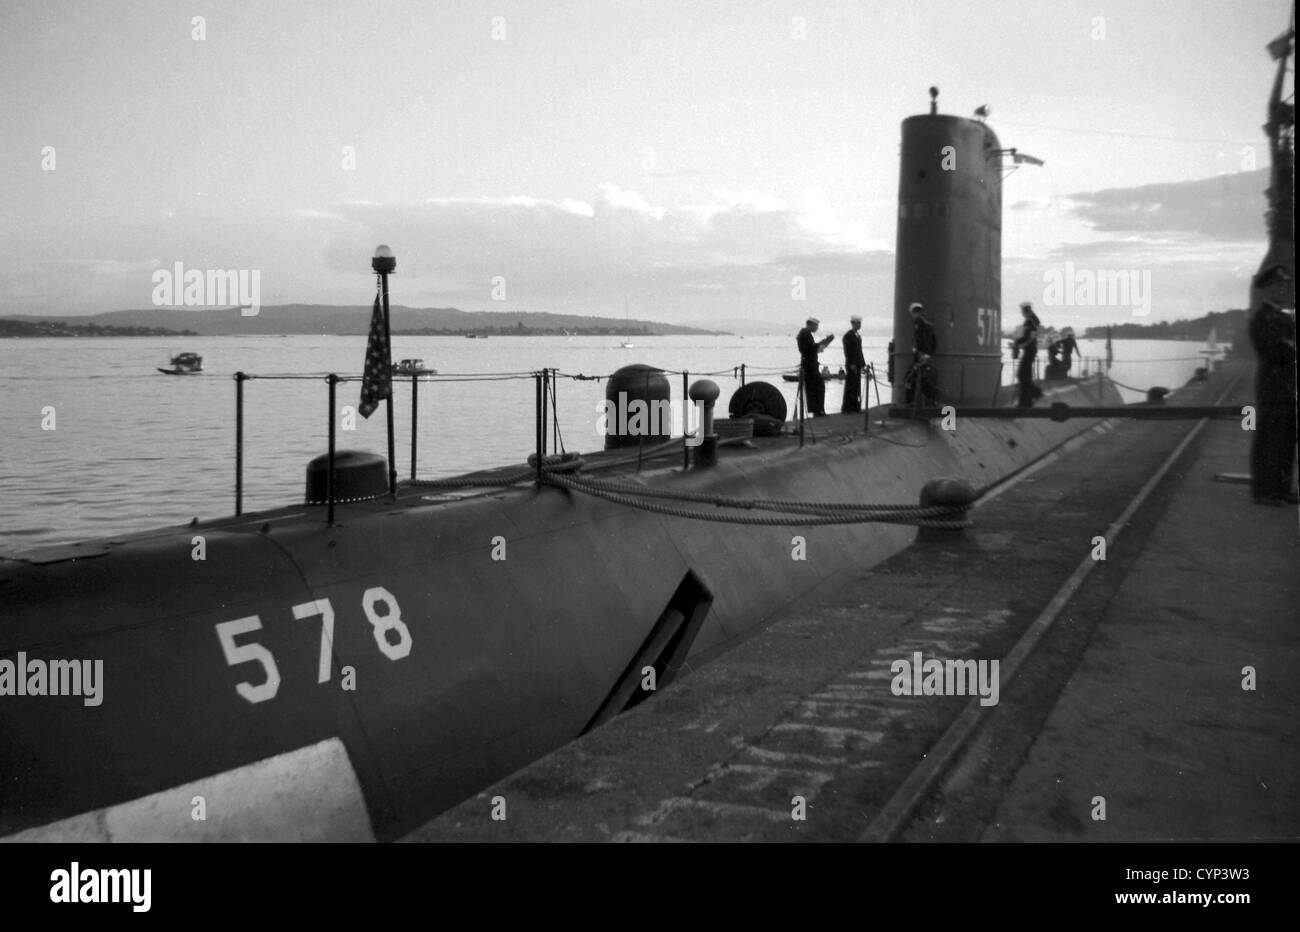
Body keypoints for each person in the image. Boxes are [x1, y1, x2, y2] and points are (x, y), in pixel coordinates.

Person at [1249, 281, 1297, 506]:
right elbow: (1273, 350)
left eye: (1284, 287)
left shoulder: (1285, 319)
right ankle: (1264, 491)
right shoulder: (1261, 320)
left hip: (1288, 386)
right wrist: (1289, 347)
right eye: (1276, 286)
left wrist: (1288, 346)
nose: (1282, 290)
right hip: (1272, 386)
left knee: (1286, 441)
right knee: (1269, 439)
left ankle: (1281, 489)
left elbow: (1286, 347)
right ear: (1264, 290)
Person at [796, 317, 834, 416]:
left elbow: (812, 349)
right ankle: (818, 410)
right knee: (818, 387)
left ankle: (817, 410)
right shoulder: (805, 334)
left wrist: (824, 343)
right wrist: (824, 342)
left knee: (815, 388)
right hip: (809, 365)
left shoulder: (805, 334)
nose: (817, 328)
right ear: (810, 325)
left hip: (810, 364)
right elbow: (809, 350)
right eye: (816, 326)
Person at [1011, 302, 1042, 407]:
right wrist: (1017, 343)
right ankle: (1030, 397)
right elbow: (1027, 337)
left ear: (1026, 311)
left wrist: (1020, 345)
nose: (1021, 313)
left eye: (1022, 311)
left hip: (1030, 350)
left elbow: (1031, 338)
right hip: (1030, 350)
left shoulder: (1031, 321)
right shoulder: (1031, 320)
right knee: (1025, 375)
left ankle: (1030, 397)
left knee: (1022, 375)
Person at [841, 315, 866, 413]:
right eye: (857, 323)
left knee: (856, 386)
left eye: (860, 323)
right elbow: (847, 351)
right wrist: (851, 364)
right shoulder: (848, 336)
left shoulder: (858, 336)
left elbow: (860, 351)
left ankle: (855, 407)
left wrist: (863, 364)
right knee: (850, 386)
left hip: (858, 363)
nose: (859, 325)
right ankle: (847, 408)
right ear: (852, 323)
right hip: (851, 364)